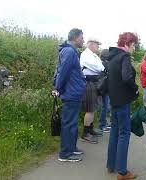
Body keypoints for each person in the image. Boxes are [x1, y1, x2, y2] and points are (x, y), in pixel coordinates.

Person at [106, 32, 139, 180]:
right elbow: (126, 77)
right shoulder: (124, 56)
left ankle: (111, 165)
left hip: (113, 100)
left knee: (115, 131)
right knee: (124, 133)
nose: (133, 49)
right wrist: (135, 88)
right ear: (127, 44)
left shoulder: (112, 57)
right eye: (133, 45)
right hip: (123, 100)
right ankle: (122, 171)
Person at [52, 28, 86, 162]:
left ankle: (71, 148)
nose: (83, 40)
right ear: (76, 38)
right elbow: (62, 72)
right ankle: (65, 154)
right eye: (82, 37)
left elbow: (62, 70)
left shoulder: (70, 51)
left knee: (72, 122)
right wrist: (57, 88)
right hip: (71, 93)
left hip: (74, 92)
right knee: (69, 123)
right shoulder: (69, 51)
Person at [80, 37, 105, 143]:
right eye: (97, 44)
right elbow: (99, 68)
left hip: (95, 82)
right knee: (90, 109)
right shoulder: (85, 55)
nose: (98, 47)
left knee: (93, 107)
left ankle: (90, 129)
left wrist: (102, 69)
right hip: (89, 82)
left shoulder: (94, 55)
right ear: (90, 44)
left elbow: (101, 66)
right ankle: (85, 133)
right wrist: (102, 69)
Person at [99, 49, 111, 133]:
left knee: (104, 106)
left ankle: (103, 122)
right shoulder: (106, 64)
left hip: (101, 87)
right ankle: (102, 125)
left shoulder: (100, 62)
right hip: (105, 88)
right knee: (105, 107)